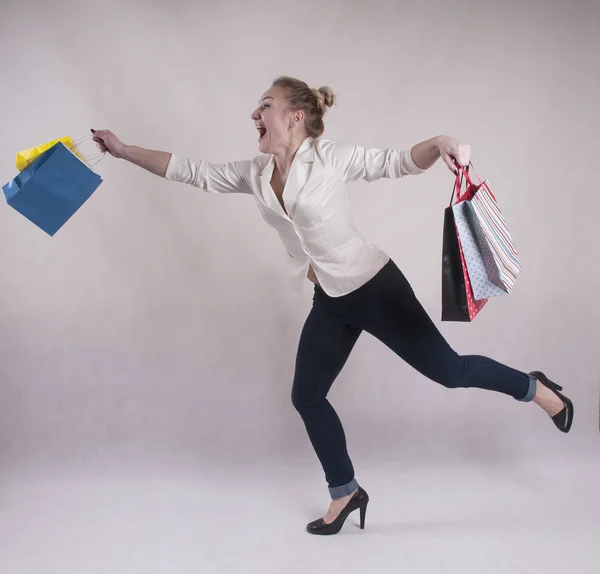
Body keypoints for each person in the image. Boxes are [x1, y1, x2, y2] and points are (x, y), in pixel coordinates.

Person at [91, 75, 574, 536]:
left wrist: (443, 139)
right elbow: (192, 172)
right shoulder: (258, 173)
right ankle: (345, 491)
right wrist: (124, 150)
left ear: (295, 116)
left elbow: (398, 161)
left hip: (375, 287)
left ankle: (537, 389)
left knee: (449, 371)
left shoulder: (331, 159)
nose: (254, 113)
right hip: (331, 300)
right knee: (306, 396)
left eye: (265, 105)